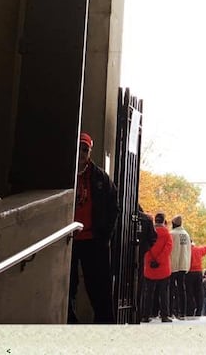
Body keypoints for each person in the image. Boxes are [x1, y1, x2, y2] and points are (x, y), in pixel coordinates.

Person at [68, 132, 119, 324]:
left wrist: (104, 235)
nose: (81, 152)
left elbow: (114, 206)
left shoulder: (100, 178)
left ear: (90, 151)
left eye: (85, 149)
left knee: (99, 287)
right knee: (68, 285)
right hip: (69, 239)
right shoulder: (65, 173)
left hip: (93, 240)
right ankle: (70, 323)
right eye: (79, 148)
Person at [141, 212, 173, 323]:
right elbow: (168, 249)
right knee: (164, 293)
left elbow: (146, 247)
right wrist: (159, 260)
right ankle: (164, 315)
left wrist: (151, 259)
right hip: (163, 267)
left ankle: (145, 315)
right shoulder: (167, 234)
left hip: (150, 266)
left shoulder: (149, 232)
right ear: (164, 221)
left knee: (148, 293)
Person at [168, 214, 192, 319]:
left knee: (171, 289)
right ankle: (182, 312)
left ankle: (170, 311)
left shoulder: (172, 234)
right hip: (183, 264)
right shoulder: (186, 235)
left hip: (173, 264)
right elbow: (188, 251)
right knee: (182, 289)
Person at [187, 241, 206, 317]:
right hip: (198, 272)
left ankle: (190, 310)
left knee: (189, 292)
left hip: (189, 272)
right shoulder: (198, 249)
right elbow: (205, 248)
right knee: (199, 292)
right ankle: (199, 310)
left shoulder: (186, 250)